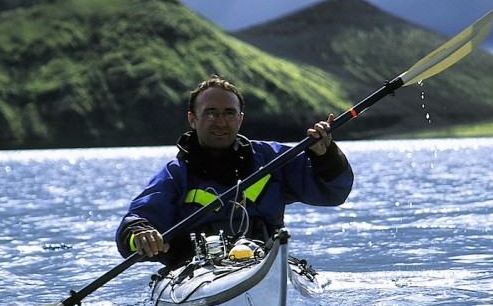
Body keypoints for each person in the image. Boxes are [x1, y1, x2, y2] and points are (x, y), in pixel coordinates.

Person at [116, 76, 354, 267]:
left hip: (265, 263)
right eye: (210, 113)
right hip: (195, 274)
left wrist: (326, 155)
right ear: (192, 119)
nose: (221, 122)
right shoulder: (176, 174)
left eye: (229, 113)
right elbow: (137, 221)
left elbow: (333, 194)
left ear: (240, 119)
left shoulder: (272, 159)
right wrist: (140, 234)